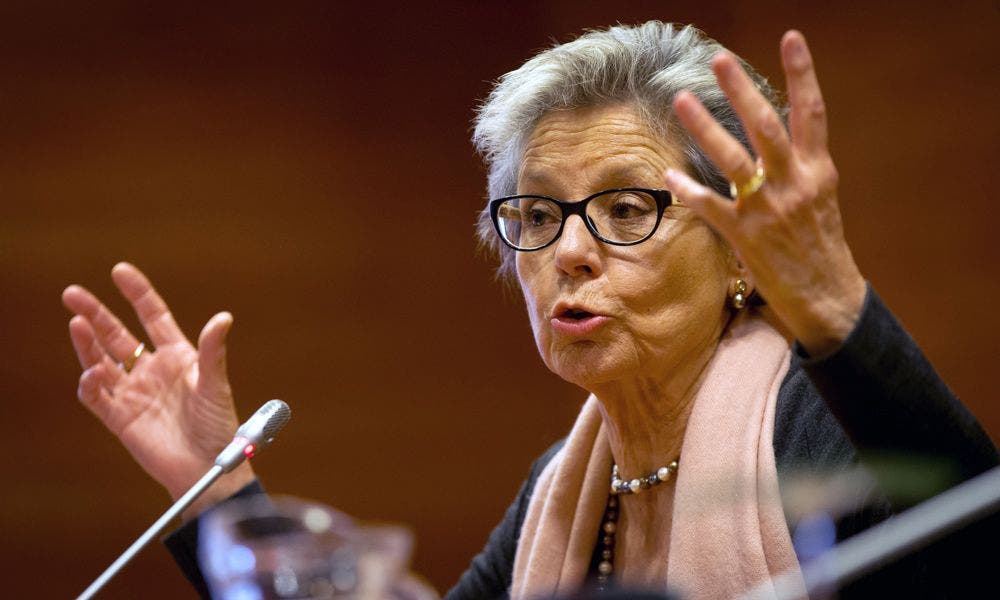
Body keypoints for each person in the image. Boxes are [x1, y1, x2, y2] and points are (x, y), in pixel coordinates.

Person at [62, 21, 996, 599]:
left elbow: (977, 553)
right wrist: (218, 496)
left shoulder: (812, 434)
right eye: (539, 216)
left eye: (626, 208)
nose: (568, 252)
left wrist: (835, 309)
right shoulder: (566, 485)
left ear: (738, 251)